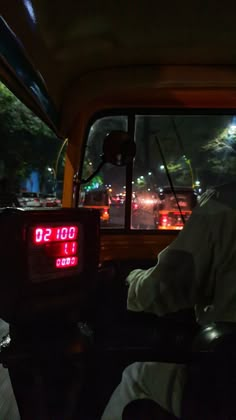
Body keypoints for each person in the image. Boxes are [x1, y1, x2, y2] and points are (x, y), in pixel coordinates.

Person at [101, 182, 236, 420]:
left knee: (137, 375)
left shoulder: (223, 205)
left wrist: (130, 280)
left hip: (227, 374)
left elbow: (163, 288)